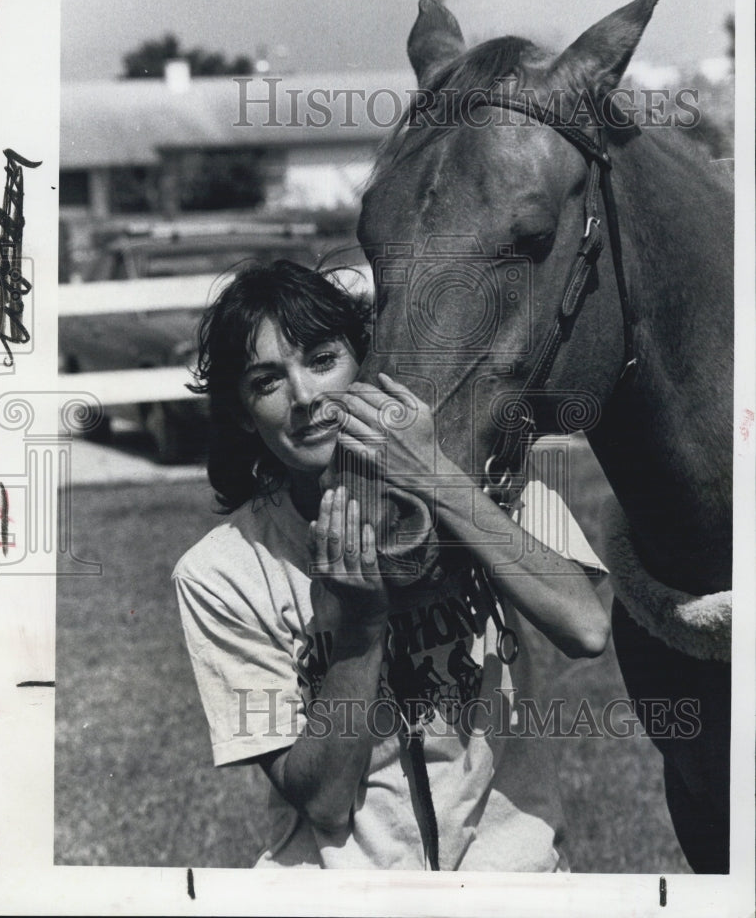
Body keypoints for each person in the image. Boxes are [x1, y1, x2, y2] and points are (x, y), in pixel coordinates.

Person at [173, 259, 609, 871]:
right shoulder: (221, 571)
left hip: (514, 881)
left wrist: (432, 476)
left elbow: (585, 626)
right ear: (244, 413)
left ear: (368, 364)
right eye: (268, 382)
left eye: (323, 360)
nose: (306, 397)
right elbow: (322, 803)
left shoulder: (488, 486)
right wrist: (360, 629)